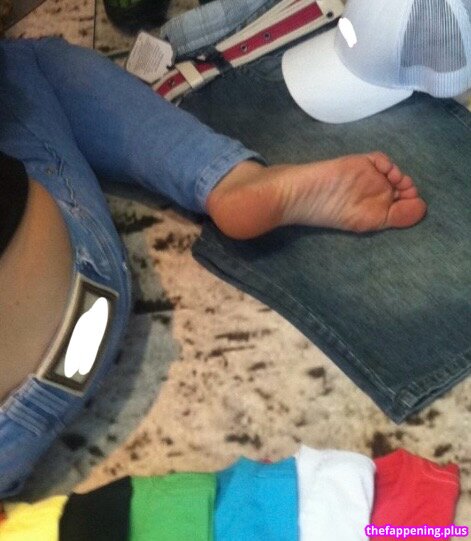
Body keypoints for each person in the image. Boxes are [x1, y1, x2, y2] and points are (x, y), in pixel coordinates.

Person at [0, 36, 426, 498]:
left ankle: (228, 178)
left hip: (27, 405)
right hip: (74, 303)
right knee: (22, 64)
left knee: (23, 69)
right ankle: (227, 176)